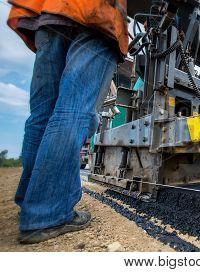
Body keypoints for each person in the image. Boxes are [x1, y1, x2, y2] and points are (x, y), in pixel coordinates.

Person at [7, 0, 128, 244]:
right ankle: (48, 213)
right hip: (95, 14)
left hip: (47, 14)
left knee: (41, 116)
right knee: (73, 112)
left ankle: (31, 201)